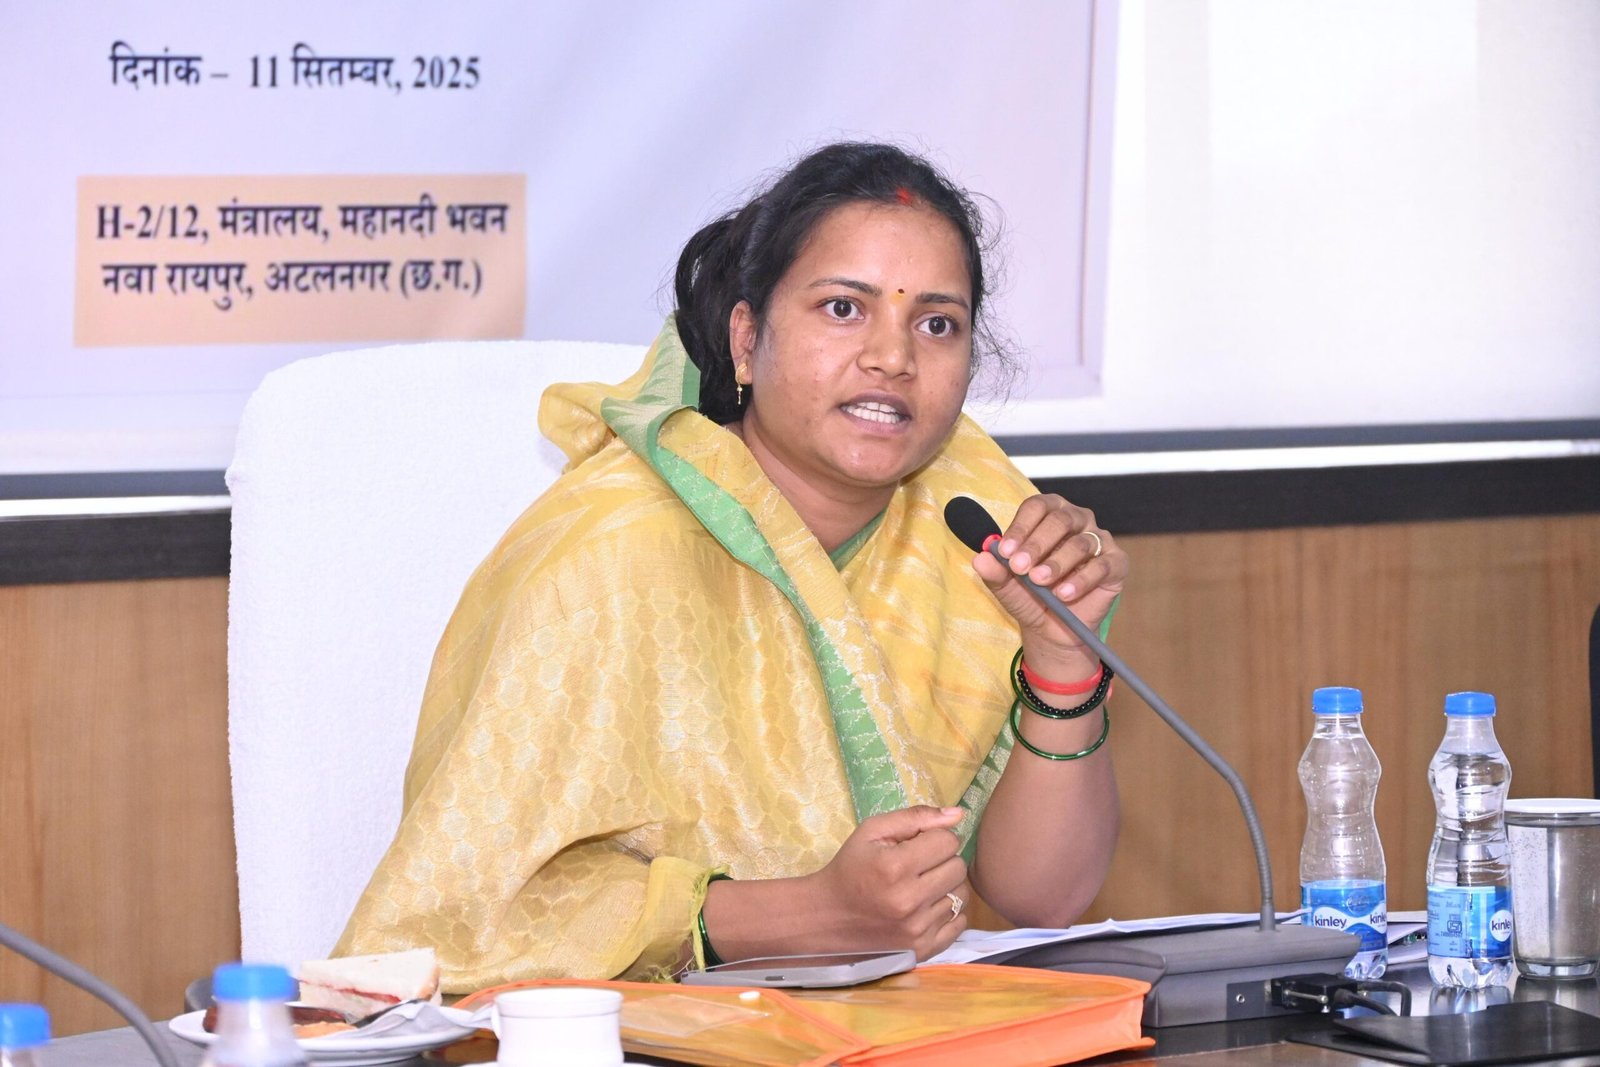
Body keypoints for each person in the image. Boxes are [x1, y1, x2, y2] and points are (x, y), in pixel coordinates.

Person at [336, 142, 1128, 991]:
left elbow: (1043, 895)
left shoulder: (974, 526)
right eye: (843, 308)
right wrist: (803, 915)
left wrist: (1061, 660)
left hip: (891, 1027)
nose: (894, 357)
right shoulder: (605, 559)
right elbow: (456, 919)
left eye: (937, 324)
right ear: (746, 340)